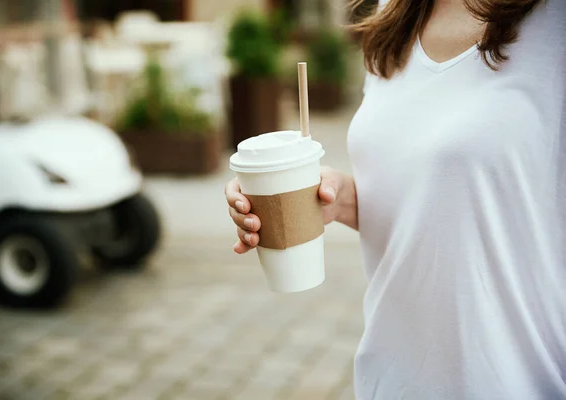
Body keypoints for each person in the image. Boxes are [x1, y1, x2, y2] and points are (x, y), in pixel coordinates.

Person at [226, 0, 566, 398]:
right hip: (391, 378)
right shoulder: (394, 14)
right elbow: (429, 191)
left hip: (518, 381)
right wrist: (341, 198)